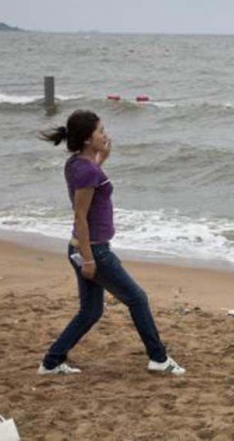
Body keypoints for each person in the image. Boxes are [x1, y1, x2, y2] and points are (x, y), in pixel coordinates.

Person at [37, 110, 185, 375]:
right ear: (86, 138)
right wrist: (90, 259)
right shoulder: (87, 170)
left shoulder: (77, 164)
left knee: (91, 311)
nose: (105, 135)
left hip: (81, 247)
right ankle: (158, 358)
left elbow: (89, 182)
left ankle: (52, 362)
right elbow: (80, 215)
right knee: (137, 299)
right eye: (100, 131)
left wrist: (100, 159)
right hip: (93, 249)